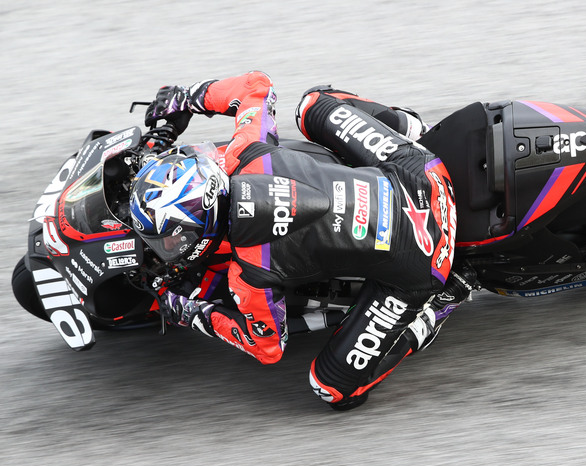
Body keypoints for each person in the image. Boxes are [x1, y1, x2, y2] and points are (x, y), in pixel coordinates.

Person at [130, 71, 476, 410]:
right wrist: (185, 98)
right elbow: (257, 85)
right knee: (313, 104)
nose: (167, 249)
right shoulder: (246, 149)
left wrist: (188, 311)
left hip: (426, 260)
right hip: (422, 172)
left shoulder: (250, 273)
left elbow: (267, 348)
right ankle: (422, 134)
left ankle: (449, 294)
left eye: (171, 242)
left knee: (332, 389)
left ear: (202, 232)